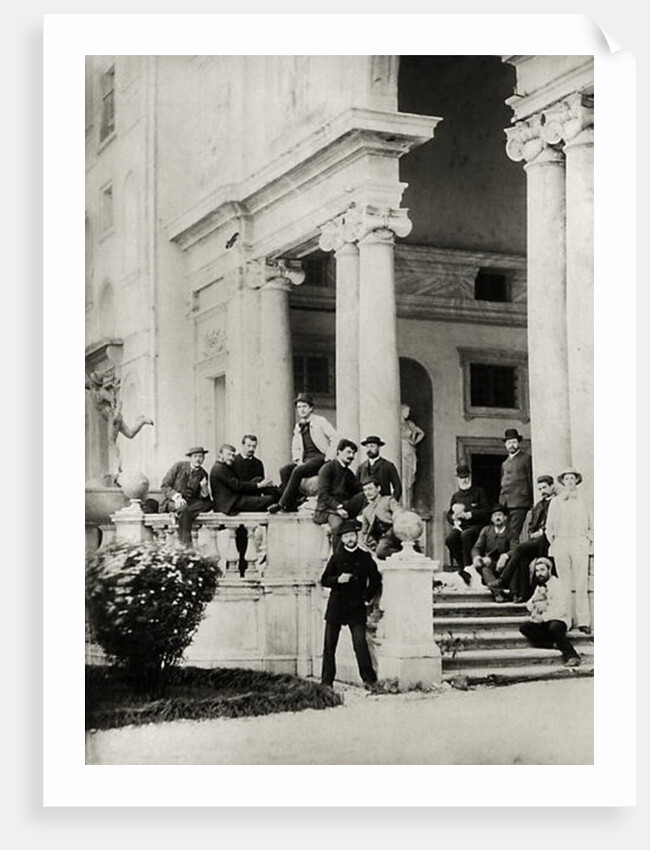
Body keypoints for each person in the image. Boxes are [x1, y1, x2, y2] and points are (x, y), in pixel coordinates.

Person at [320, 519, 383, 690]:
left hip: (356, 607)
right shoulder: (336, 557)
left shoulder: (365, 557)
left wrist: (366, 597)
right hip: (336, 606)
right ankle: (326, 682)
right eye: (346, 536)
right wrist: (338, 580)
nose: (349, 539)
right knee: (329, 646)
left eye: (352, 535)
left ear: (356, 536)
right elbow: (324, 579)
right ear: (342, 539)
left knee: (360, 644)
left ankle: (369, 681)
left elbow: (376, 579)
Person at [268, 393, 339, 513]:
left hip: (320, 458)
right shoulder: (298, 426)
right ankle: (292, 503)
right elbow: (295, 446)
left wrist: (329, 456)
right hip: (306, 460)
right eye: (299, 407)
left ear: (311, 408)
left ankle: (282, 503)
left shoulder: (320, 421)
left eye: (304, 406)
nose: (302, 409)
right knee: (284, 470)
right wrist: (297, 460)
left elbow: (336, 437)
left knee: (298, 471)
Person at [545, 467, 593, 634]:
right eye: (567, 479)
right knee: (564, 584)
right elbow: (549, 527)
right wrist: (556, 542)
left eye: (573, 478)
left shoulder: (583, 501)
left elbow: (591, 523)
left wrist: (588, 539)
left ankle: (583, 621)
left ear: (577, 481)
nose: (570, 481)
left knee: (580, 582)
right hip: (562, 543)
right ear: (563, 482)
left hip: (579, 542)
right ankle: (566, 619)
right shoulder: (556, 502)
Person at [497, 474, 556, 602]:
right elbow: (531, 525)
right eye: (540, 489)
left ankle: (503, 580)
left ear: (552, 487)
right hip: (537, 541)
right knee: (522, 557)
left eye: (545, 487)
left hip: (550, 540)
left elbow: (556, 523)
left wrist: (541, 532)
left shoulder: (557, 503)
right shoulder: (538, 505)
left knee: (519, 548)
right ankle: (523, 594)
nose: (542, 491)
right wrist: (531, 533)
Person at [519, 557, 581, 667]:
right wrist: (534, 599)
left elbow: (561, 609)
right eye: (537, 571)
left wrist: (544, 618)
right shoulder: (539, 587)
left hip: (559, 619)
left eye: (542, 570)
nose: (539, 574)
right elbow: (529, 606)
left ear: (549, 570)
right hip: (544, 621)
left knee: (554, 628)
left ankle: (572, 656)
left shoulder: (558, 585)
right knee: (525, 627)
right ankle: (553, 644)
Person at [231, 435, 280, 574]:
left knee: (253, 538)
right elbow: (236, 486)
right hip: (240, 503)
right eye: (249, 446)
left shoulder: (258, 463)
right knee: (240, 539)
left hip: (253, 502)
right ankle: (241, 569)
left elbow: (261, 487)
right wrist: (257, 485)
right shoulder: (234, 462)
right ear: (242, 445)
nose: (251, 449)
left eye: (254, 446)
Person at [313, 439, 366, 551]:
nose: (351, 456)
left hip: (344, 506)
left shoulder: (348, 472)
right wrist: (338, 508)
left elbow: (359, 490)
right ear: (339, 452)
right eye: (348, 452)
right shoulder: (327, 469)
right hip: (327, 509)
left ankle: (359, 519)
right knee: (339, 527)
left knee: (366, 494)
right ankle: (338, 560)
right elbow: (323, 494)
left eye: (353, 453)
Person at [160, 446, 212, 546]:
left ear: (203, 458)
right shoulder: (179, 466)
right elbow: (164, 485)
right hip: (173, 502)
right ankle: (186, 543)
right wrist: (176, 497)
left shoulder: (203, 474)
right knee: (184, 509)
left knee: (209, 504)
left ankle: (176, 514)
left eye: (200, 456)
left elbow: (204, 499)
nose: (198, 459)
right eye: (195, 456)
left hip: (191, 504)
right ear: (190, 458)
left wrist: (204, 488)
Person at [444, 463, 490, 573]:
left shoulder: (479, 492)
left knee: (466, 535)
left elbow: (487, 511)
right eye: (461, 478)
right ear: (458, 479)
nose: (464, 480)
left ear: (470, 477)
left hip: (477, 526)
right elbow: (449, 514)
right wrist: (453, 517)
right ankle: (461, 566)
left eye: (466, 477)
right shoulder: (456, 496)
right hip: (461, 526)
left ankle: (469, 568)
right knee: (450, 539)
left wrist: (470, 514)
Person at [209, 444, 276, 515]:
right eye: (228, 455)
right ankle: (280, 500)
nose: (231, 458)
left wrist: (259, 483)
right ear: (220, 454)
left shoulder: (223, 466)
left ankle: (279, 497)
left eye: (233, 455)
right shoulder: (219, 468)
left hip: (233, 500)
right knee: (270, 499)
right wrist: (259, 485)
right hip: (229, 505)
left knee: (258, 479)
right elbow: (237, 485)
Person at [471, 505, 516, 601]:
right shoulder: (486, 530)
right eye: (495, 516)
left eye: (500, 515)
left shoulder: (511, 532)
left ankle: (512, 592)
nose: (497, 518)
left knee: (513, 566)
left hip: (505, 564)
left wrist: (505, 556)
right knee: (485, 569)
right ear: (492, 519)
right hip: (490, 561)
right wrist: (477, 557)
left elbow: (515, 549)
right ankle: (498, 593)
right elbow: (477, 547)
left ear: (505, 518)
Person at [498, 428, 533, 545]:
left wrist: (532, 501)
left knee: (513, 534)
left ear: (518, 443)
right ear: (505, 445)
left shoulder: (526, 458)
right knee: (506, 535)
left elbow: (530, 479)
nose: (511, 445)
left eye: (514, 442)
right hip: (506, 506)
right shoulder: (505, 463)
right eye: (509, 443)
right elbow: (503, 484)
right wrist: (501, 503)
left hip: (520, 503)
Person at [359, 478, 403, 560]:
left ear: (378, 488)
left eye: (370, 489)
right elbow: (364, 531)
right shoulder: (366, 510)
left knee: (381, 551)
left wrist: (396, 517)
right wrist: (366, 540)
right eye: (365, 490)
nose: (367, 493)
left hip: (394, 532)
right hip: (381, 538)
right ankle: (401, 554)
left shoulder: (388, 500)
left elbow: (398, 511)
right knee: (378, 552)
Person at [356, 436, 402, 502]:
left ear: (379, 447)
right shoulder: (361, 467)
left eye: (372, 446)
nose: (369, 449)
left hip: (383, 504)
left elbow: (398, 487)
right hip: (365, 506)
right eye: (367, 446)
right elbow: (356, 488)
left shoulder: (388, 465)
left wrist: (391, 502)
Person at [400, 403, 425, 510]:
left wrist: (414, 442)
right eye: (406, 411)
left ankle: (408, 504)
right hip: (401, 451)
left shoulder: (409, 424)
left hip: (410, 450)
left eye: (408, 411)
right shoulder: (395, 423)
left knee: (409, 478)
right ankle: (402, 503)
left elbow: (422, 433)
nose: (408, 413)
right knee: (402, 477)